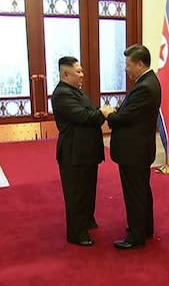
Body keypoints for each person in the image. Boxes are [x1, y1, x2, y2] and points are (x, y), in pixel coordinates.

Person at [101, 44, 161, 249]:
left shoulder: (145, 87)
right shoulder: (147, 81)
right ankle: (144, 227)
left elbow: (123, 119)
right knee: (142, 190)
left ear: (140, 64)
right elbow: (133, 112)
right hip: (139, 148)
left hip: (134, 150)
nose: (126, 69)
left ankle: (136, 236)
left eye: (128, 64)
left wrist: (110, 113)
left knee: (135, 192)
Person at [51, 56, 105, 246]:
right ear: (66, 74)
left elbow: (91, 112)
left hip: (87, 151)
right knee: (76, 194)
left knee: (88, 190)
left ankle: (87, 221)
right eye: (78, 72)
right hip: (73, 151)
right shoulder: (62, 94)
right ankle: (76, 233)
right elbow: (84, 116)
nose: (82, 75)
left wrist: (98, 114)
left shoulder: (76, 91)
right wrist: (102, 114)